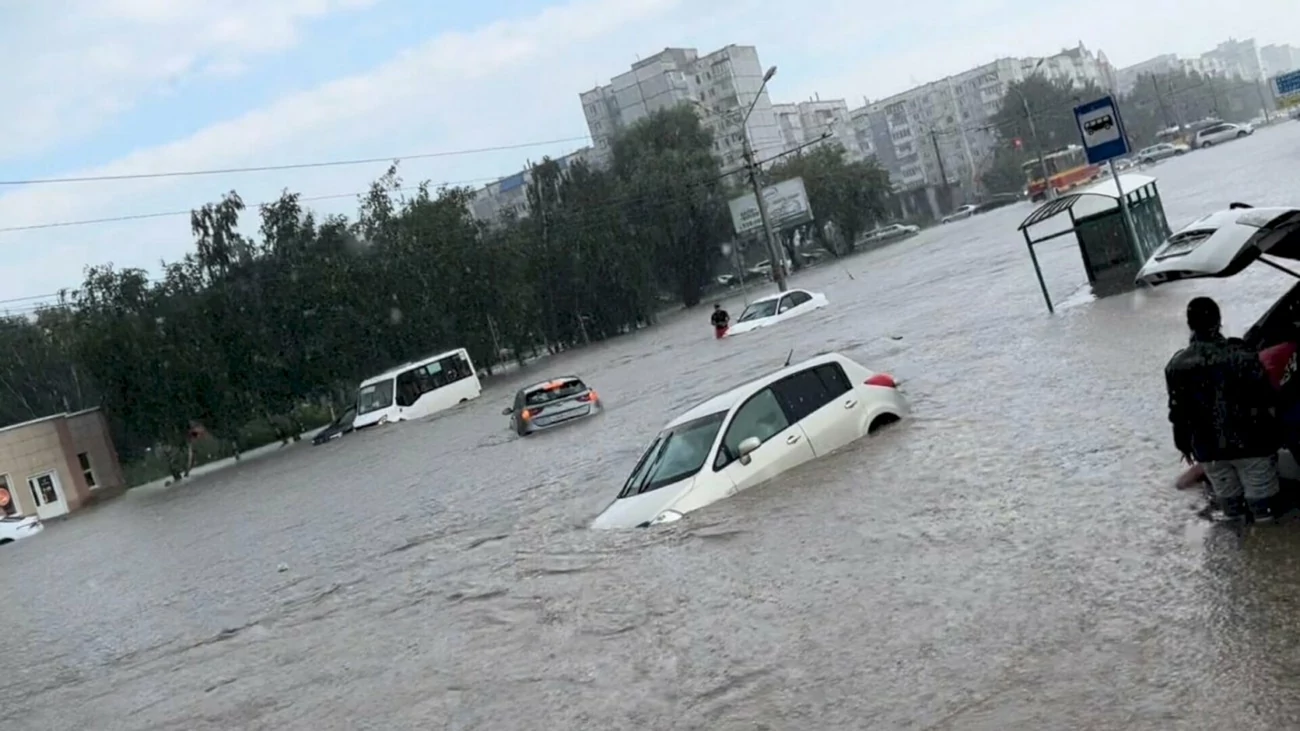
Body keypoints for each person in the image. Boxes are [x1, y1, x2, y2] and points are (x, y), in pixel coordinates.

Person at [1166, 297, 1282, 520]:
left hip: (1210, 452)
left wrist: (1184, 445)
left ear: (1190, 324)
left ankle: (1237, 550)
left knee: (1233, 514)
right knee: (1265, 514)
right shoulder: (1242, 355)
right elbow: (1267, 398)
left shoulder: (1177, 364)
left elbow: (1177, 413)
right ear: (1218, 321)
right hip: (1252, 445)